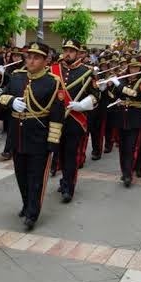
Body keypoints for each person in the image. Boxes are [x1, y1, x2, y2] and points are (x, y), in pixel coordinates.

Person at [0, 42, 64, 230]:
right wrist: (10, 101)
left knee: (36, 178)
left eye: (36, 57)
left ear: (45, 60)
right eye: (29, 57)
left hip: (39, 138)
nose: (31, 60)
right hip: (18, 136)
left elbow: (57, 116)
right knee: (21, 175)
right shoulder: (17, 77)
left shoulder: (53, 82)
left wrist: (53, 142)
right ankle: (26, 204)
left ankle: (33, 213)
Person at [50, 39, 97, 201]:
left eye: (71, 50)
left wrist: (82, 105)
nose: (67, 53)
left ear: (78, 53)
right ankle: (64, 180)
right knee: (60, 154)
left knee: (71, 155)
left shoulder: (86, 71)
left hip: (74, 121)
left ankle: (69, 187)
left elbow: (95, 96)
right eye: (65, 50)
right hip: (57, 119)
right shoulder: (54, 69)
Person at [111, 57, 141, 188]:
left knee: (132, 147)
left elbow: (136, 94)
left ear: (139, 68)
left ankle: (128, 174)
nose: (134, 69)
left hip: (135, 118)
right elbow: (115, 95)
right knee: (122, 147)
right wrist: (108, 86)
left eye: (136, 67)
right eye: (132, 67)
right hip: (122, 117)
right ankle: (125, 171)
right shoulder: (124, 79)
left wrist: (119, 85)